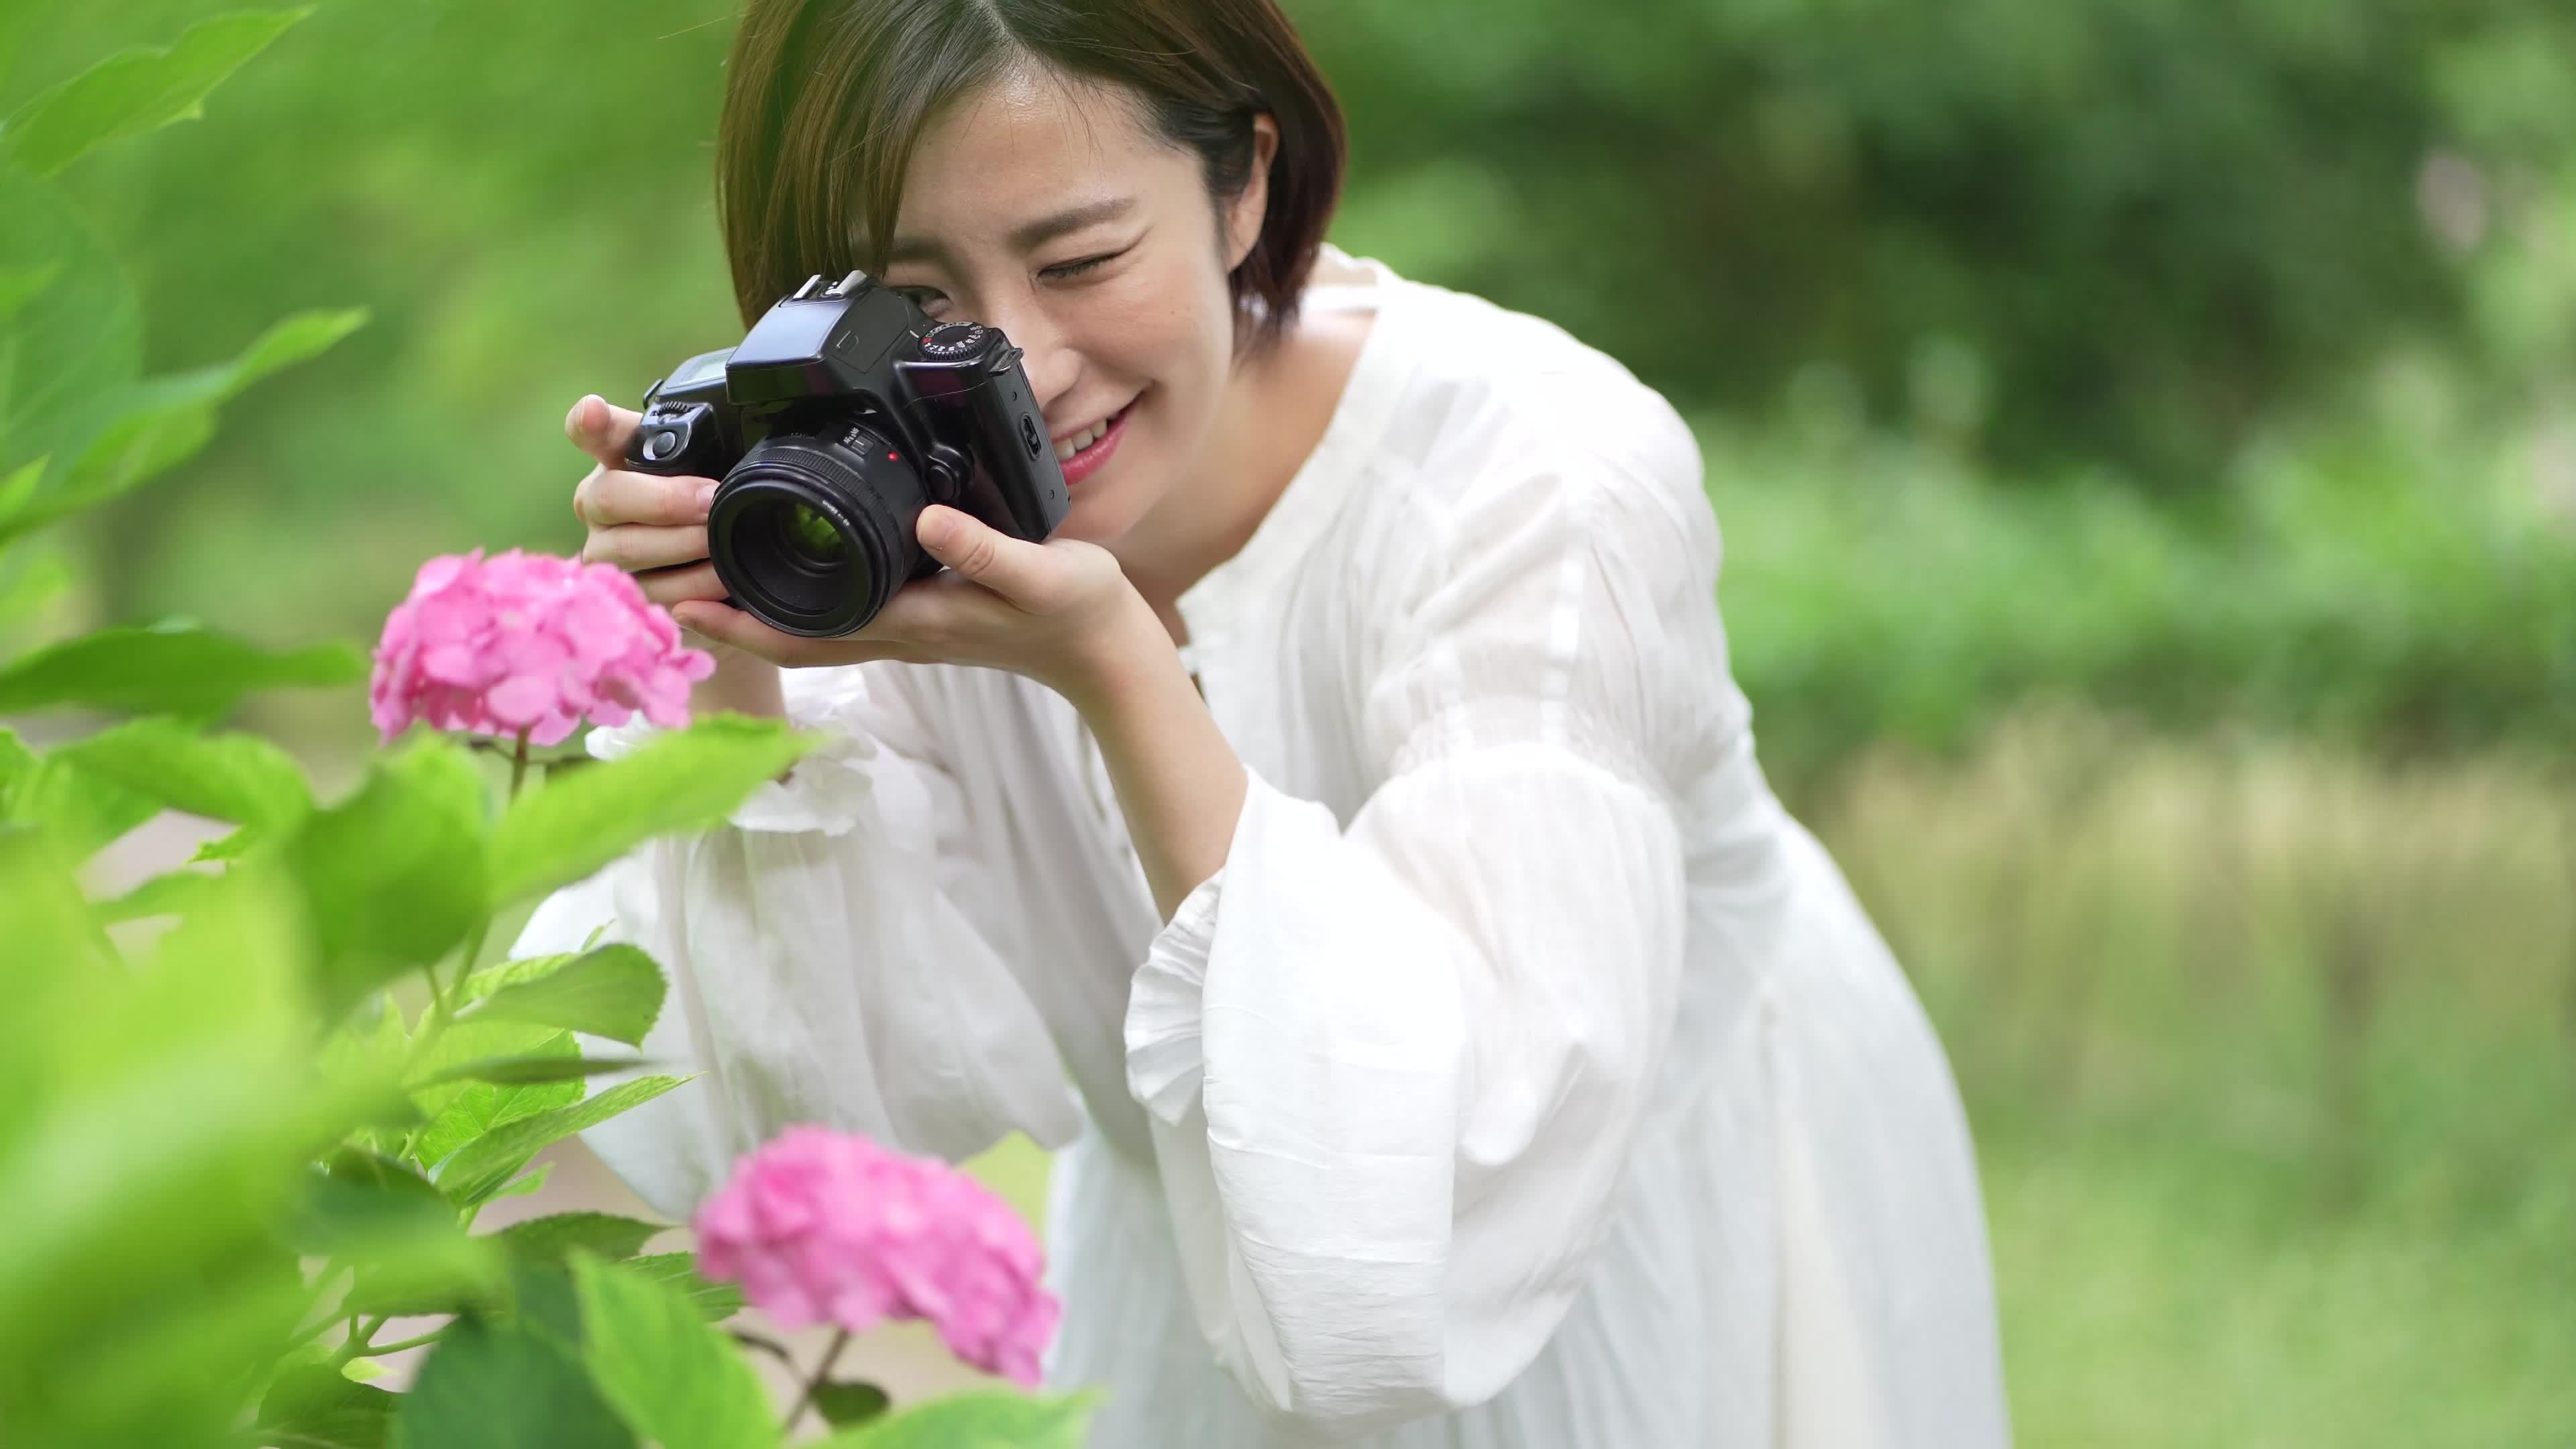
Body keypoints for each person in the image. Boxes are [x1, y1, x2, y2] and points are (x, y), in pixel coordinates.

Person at [516, 0, 2011, 1443]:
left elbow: (1421, 1237)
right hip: (1205, 1249)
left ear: (1245, 185)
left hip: (1623, 1203)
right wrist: (722, 664)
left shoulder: (1536, 484)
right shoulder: (876, 509)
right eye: (914, 307)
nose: (1021, 367)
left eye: (1083, 256)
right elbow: (793, 1105)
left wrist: (1115, 669)